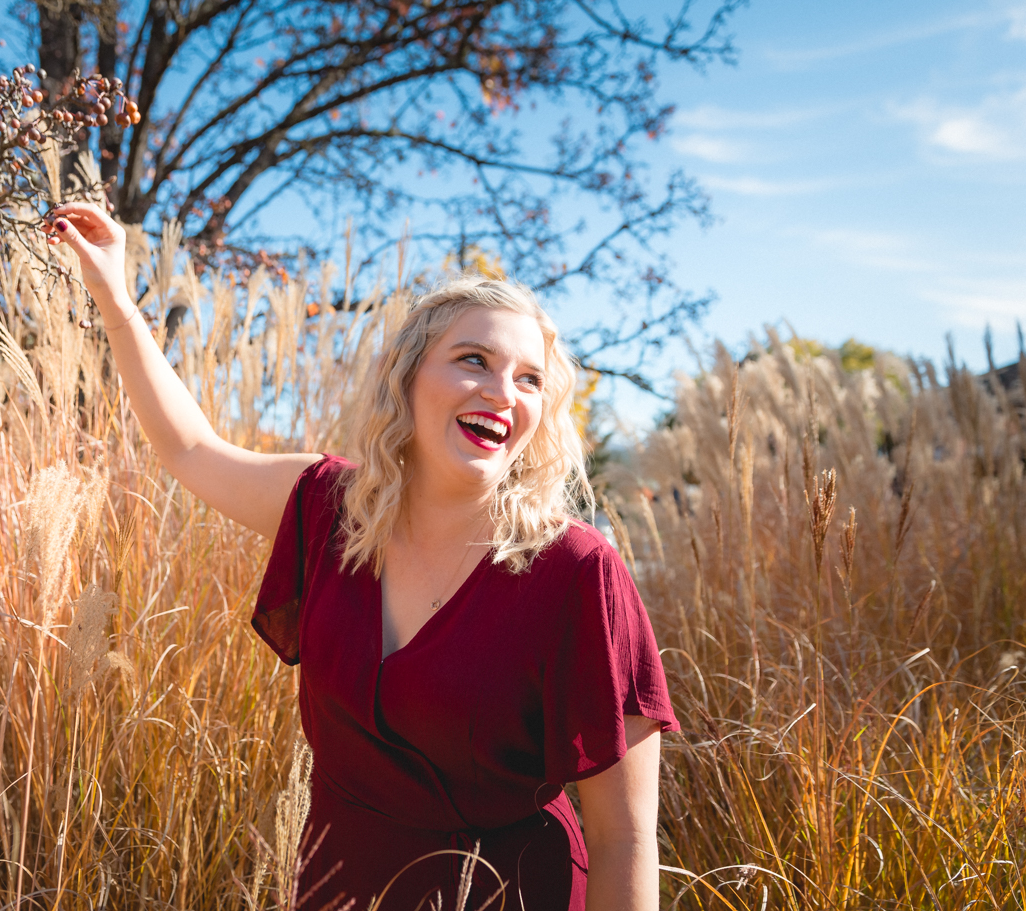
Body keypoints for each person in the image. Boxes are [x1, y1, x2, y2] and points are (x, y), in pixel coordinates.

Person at [45, 203, 678, 911]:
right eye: (474, 360)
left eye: (529, 378)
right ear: (408, 378)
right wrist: (115, 295)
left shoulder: (575, 570)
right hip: (339, 891)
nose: (502, 392)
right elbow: (192, 450)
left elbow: (625, 838)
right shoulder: (331, 510)